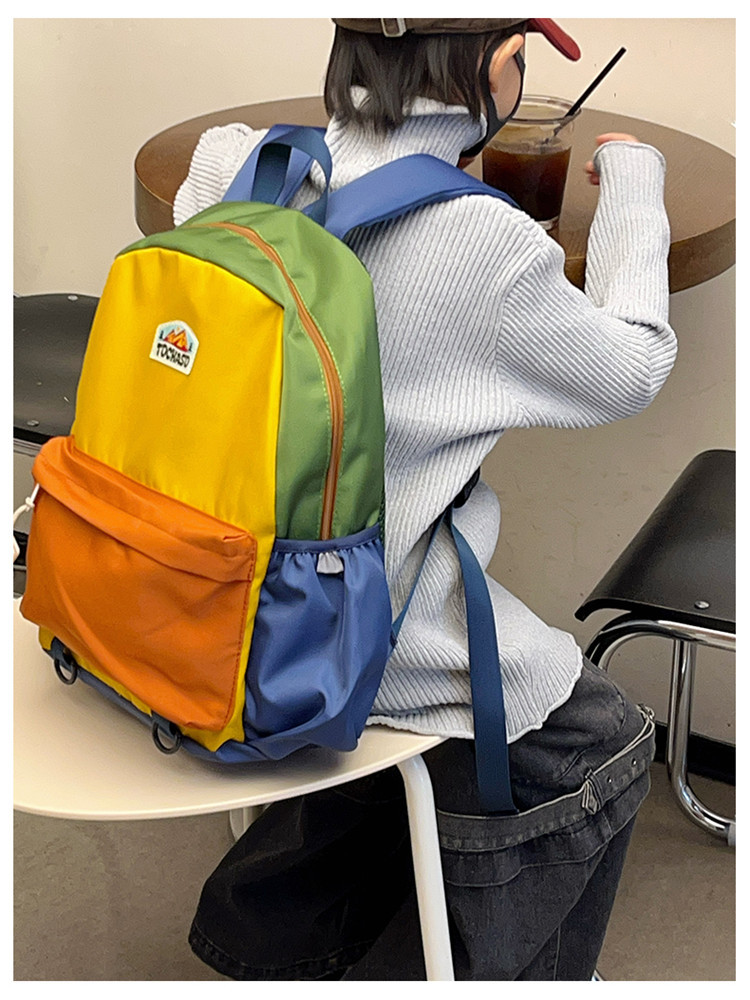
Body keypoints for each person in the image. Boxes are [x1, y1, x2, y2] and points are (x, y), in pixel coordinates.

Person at [175, 18, 676, 980]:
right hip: (349, 633)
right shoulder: (483, 242)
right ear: (494, 63)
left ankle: (265, 934)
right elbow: (634, 367)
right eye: (521, 53)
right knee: (603, 744)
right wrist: (634, 182)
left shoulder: (234, 166)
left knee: (385, 764)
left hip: (195, 594)